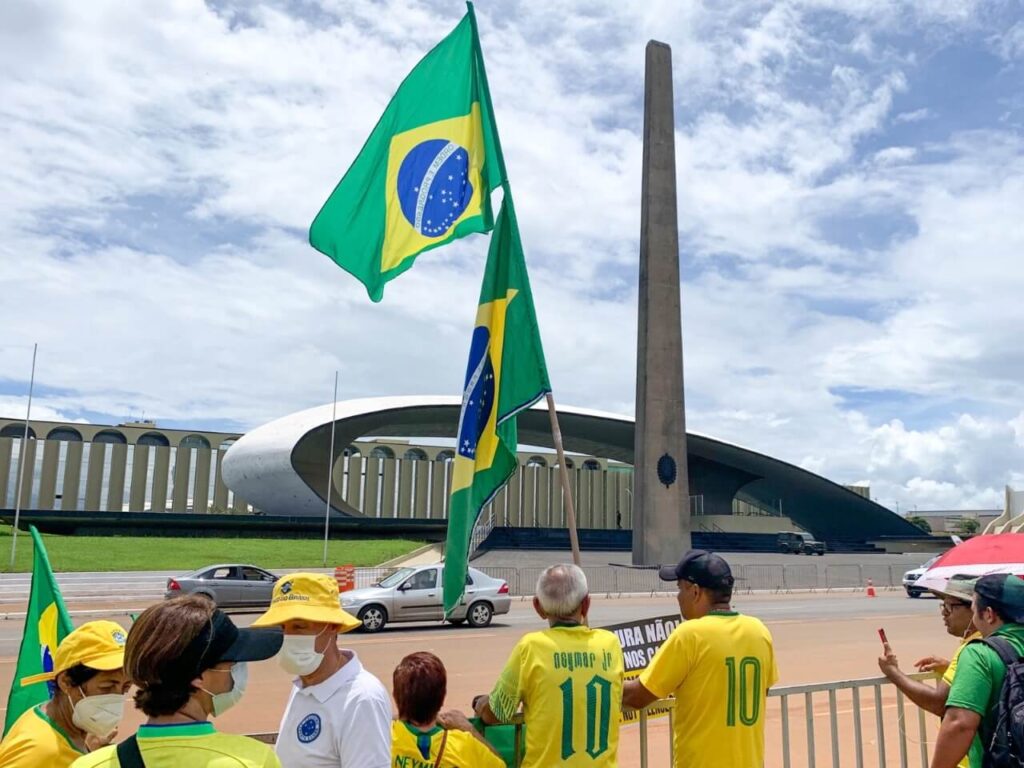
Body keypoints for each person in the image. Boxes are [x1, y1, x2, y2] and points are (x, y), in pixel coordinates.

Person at [71, 594, 284, 768]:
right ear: (199, 677)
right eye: (232, 662)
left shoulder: (89, 765)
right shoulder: (252, 760)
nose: (238, 669)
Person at [622, 549, 778, 768]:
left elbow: (638, 696)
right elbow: (763, 690)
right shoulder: (760, 632)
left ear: (695, 592)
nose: (677, 597)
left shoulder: (690, 635)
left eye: (679, 588)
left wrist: (598, 684)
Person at [473, 563, 624, 767]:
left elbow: (496, 713)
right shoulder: (610, 644)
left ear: (538, 607)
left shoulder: (531, 647)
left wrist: (482, 705)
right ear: (586, 604)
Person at [252, 572, 391, 768]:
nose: (289, 636)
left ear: (332, 626)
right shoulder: (305, 683)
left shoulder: (361, 700)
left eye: (299, 626)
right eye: (283, 628)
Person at [0, 620, 129, 767]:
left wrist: (90, 752)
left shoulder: (66, 728)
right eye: (106, 687)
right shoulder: (40, 750)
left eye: (125, 687)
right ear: (66, 682)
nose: (117, 698)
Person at [931, 574, 1024, 768]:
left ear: (989, 614)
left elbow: (960, 724)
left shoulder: (979, 654)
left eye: (974, 610)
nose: (973, 618)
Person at [391, 651, 503, 767]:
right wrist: (469, 729)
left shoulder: (385, 737)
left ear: (395, 696)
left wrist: (401, 715)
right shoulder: (463, 744)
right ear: (443, 697)